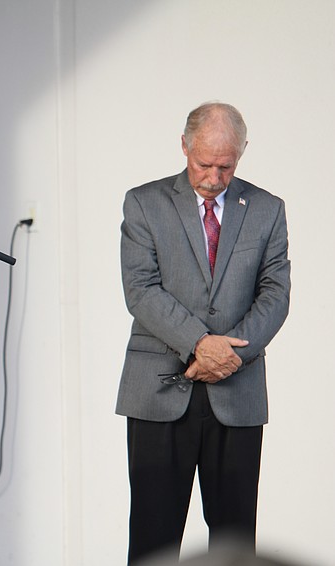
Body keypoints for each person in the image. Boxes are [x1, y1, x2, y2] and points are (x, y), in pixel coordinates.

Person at [116, 102, 290, 564]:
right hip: (159, 390)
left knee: (234, 543)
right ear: (184, 145)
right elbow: (140, 290)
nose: (214, 176)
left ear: (242, 152)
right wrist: (201, 343)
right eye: (203, 163)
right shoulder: (144, 203)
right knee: (154, 539)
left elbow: (275, 293)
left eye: (226, 166)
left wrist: (230, 354)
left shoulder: (268, 210)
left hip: (238, 391)